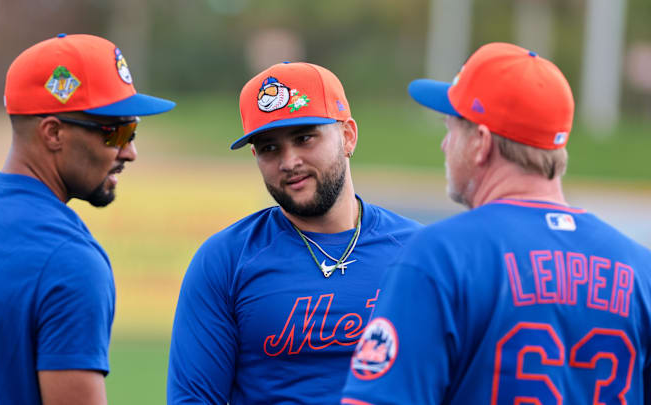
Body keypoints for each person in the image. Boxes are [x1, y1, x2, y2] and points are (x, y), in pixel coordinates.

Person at [341, 42, 651, 404]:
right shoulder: (641, 269)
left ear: (481, 143)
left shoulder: (441, 255)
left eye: (453, 127)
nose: (445, 144)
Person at [0, 34, 175, 404]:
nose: (131, 152)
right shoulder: (70, 260)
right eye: (117, 132)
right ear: (54, 133)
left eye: (133, 130)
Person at [167, 62, 422, 404]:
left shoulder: (418, 252)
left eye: (304, 138)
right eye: (270, 148)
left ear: (348, 136)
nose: (289, 161)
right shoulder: (225, 261)